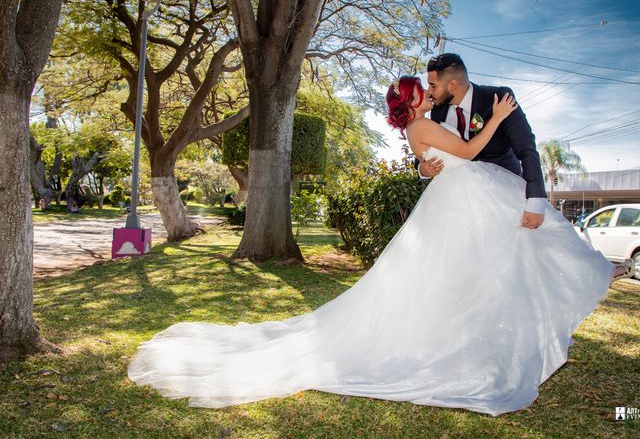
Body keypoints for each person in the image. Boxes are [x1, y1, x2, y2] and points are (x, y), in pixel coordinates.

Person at [128, 76, 633, 417]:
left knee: (492, 264)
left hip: (462, 198)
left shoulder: (421, 127)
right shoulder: (425, 124)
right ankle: (588, 277)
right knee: (496, 262)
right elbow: (473, 149)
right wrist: (498, 118)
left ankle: (579, 281)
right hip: (464, 200)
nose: (431, 91)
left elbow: (439, 157)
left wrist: (430, 161)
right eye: (425, 89)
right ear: (415, 102)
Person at [417, 53, 546, 230]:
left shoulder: (498, 98)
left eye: (433, 86)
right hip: (460, 207)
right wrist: (422, 168)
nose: (429, 92)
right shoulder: (437, 112)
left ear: (452, 85)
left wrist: (536, 199)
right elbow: (426, 146)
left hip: (506, 199)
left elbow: (526, 148)